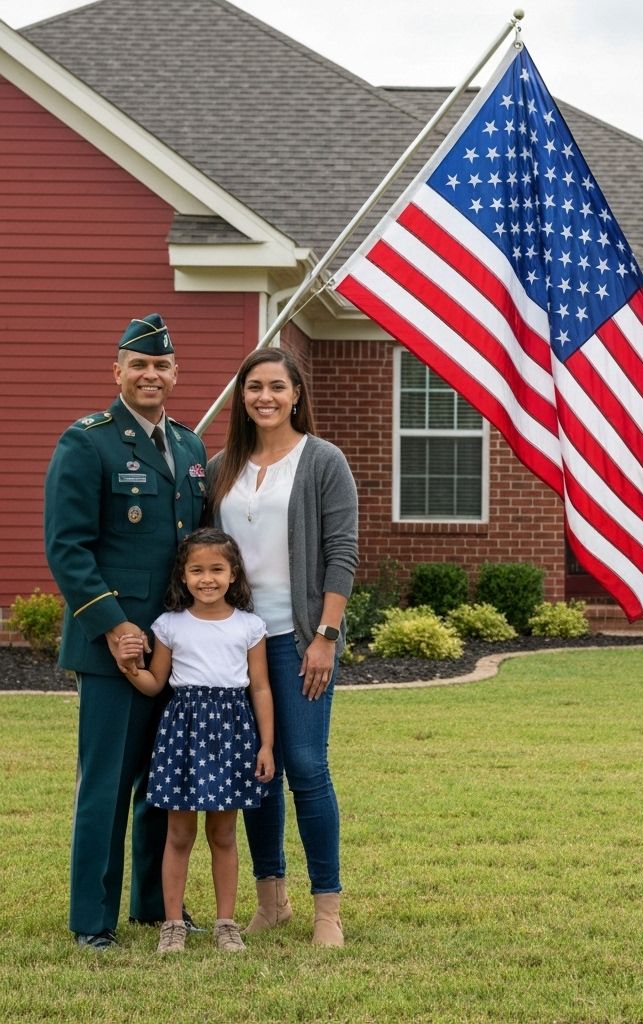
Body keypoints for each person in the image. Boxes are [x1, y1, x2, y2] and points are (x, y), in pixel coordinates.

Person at [44, 313, 208, 950]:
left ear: (175, 373)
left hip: (175, 643)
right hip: (114, 645)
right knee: (107, 782)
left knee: (163, 782)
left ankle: (149, 902)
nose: (150, 375)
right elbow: (68, 548)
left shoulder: (190, 448)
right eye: (138, 365)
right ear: (117, 372)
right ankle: (93, 919)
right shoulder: (87, 443)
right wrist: (113, 628)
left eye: (161, 365)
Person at [206, 347, 358, 947]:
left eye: (276, 386)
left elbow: (341, 554)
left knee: (306, 766)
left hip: (298, 640)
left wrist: (325, 636)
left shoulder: (323, 461)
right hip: (236, 645)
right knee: (256, 772)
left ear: (297, 394)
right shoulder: (223, 466)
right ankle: (273, 900)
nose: (264, 397)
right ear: (241, 397)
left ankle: (328, 912)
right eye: (253, 388)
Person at [117, 528, 274, 954]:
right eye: (197, 570)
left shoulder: (250, 626)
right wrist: (132, 666)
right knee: (179, 834)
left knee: (224, 834)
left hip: (233, 735)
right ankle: (172, 925)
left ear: (233, 573)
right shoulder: (170, 626)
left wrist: (266, 745)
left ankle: (226, 924)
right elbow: (155, 685)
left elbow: (259, 689)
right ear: (183, 576)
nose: (207, 579)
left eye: (217, 569)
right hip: (182, 736)